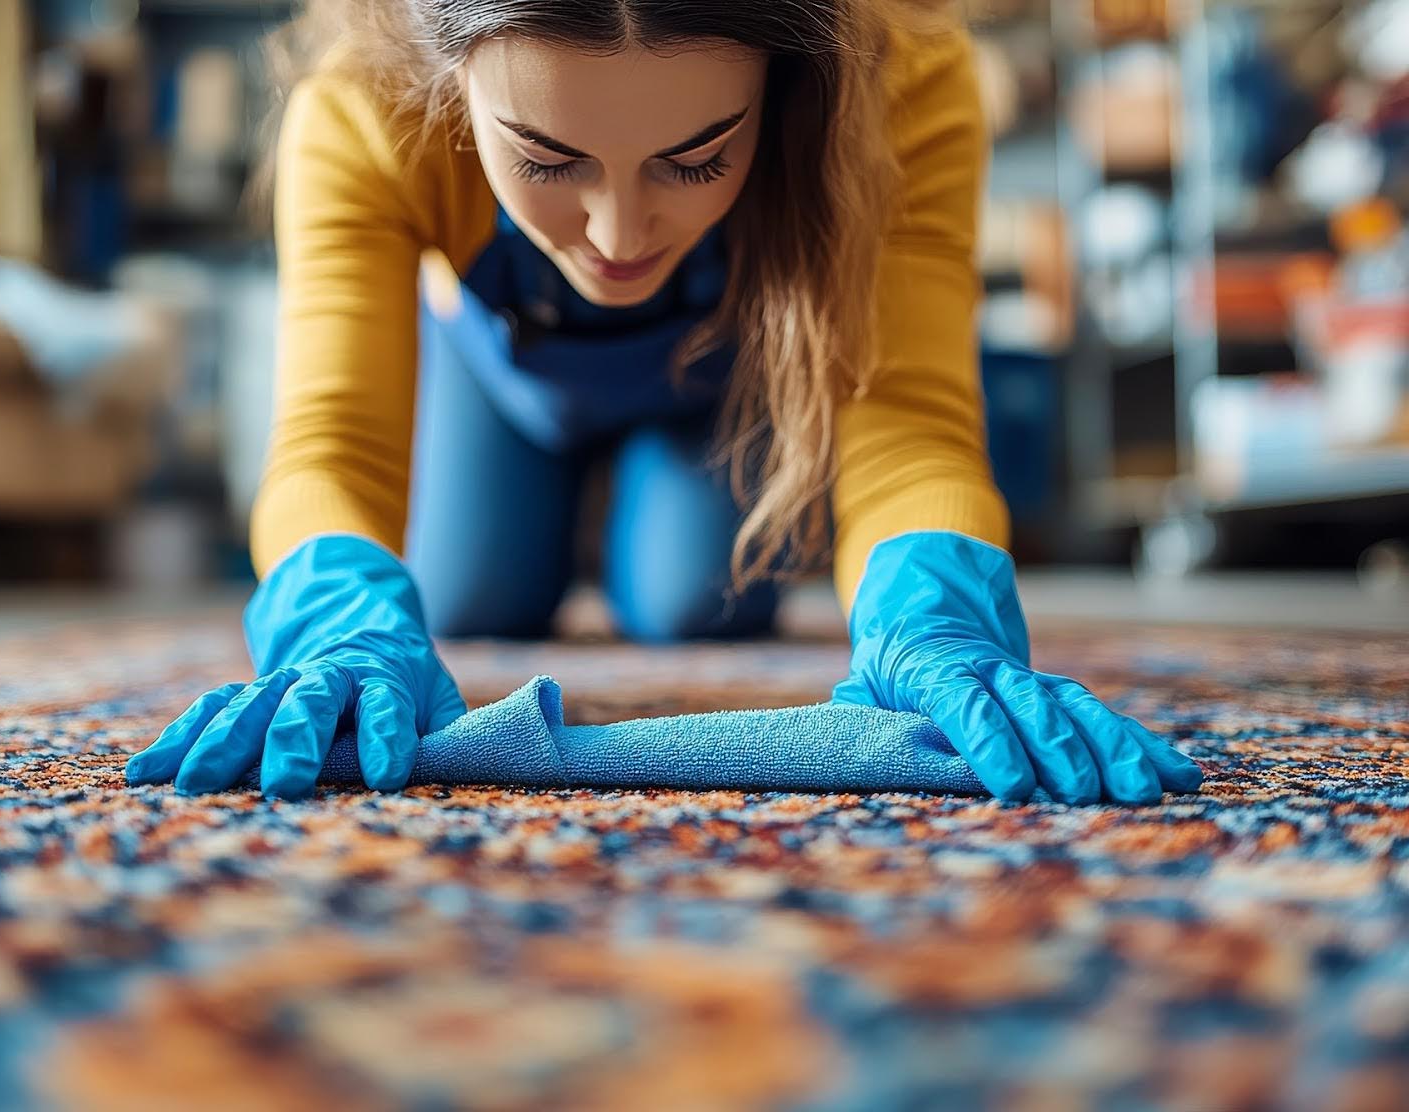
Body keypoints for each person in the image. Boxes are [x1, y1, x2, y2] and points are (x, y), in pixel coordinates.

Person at [126, 0, 1204, 805]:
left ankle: (646, 470)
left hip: (719, 380)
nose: (616, 233)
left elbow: (905, 410)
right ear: (448, 74)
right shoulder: (363, 102)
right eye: (548, 157)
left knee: (692, 597)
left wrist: (933, 604)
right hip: (503, 377)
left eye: (695, 161)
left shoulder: (902, 76)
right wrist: (334, 609)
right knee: (463, 600)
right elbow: (332, 436)